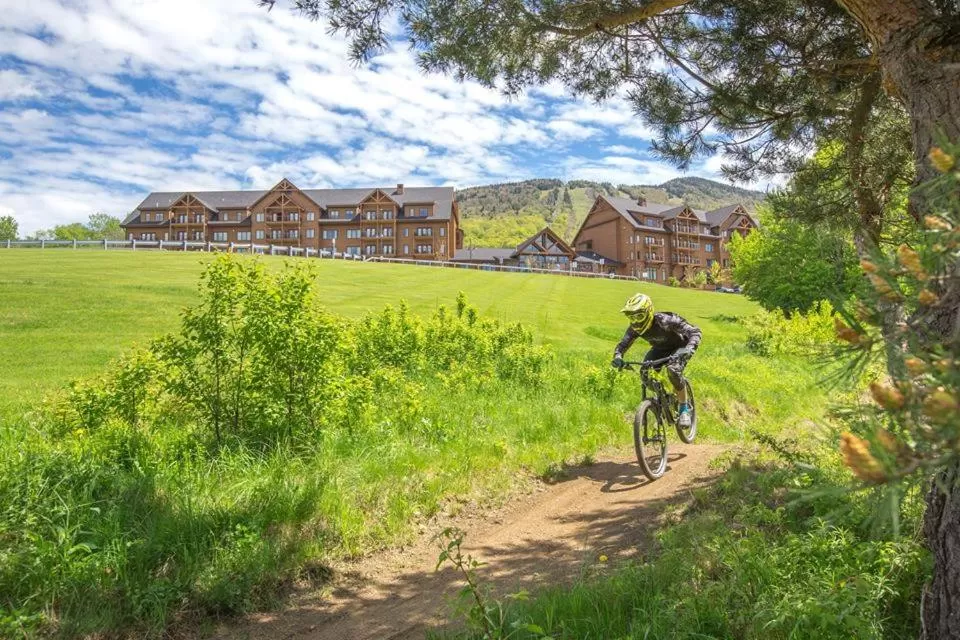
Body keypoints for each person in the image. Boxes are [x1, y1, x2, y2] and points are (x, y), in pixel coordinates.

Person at [611, 293, 702, 427]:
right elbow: (623, 345)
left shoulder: (667, 320)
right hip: (660, 350)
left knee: (673, 370)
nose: (636, 321)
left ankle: (684, 409)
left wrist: (689, 348)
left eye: (639, 316)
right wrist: (618, 357)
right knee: (645, 373)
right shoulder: (634, 329)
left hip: (680, 348)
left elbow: (695, 331)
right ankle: (664, 398)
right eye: (631, 317)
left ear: (649, 312)